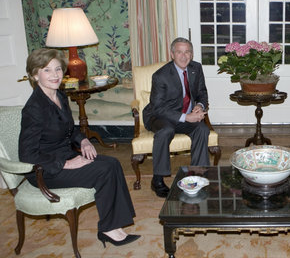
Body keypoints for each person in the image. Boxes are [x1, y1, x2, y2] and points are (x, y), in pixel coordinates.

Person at [19, 48, 139, 247]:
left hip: (64, 155)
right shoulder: (34, 109)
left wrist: (83, 140)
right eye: (47, 70)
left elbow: (70, 129)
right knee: (103, 171)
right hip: (45, 169)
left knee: (113, 163)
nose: (55, 75)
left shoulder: (59, 95)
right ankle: (108, 229)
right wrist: (66, 165)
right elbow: (27, 154)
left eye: (58, 69)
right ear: (34, 74)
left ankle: (114, 225)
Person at [143, 37, 210, 197]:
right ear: (172, 54)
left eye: (187, 52)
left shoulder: (196, 68)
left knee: (202, 129)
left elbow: (202, 93)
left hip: (185, 114)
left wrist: (199, 106)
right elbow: (158, 108)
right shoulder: (160, 75)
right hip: (159, 116)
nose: (183, 56)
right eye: (179, 52)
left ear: (192, 54)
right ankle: (157, 179)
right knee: (166, 131)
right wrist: (186, 118)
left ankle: (197, 175)